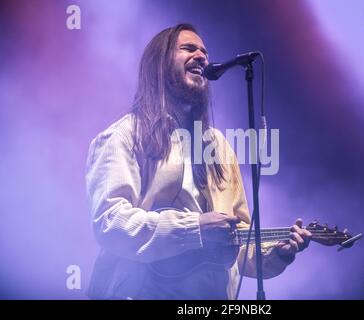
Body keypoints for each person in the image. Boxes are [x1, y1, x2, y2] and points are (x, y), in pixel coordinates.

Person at [85, 23, 311, 300]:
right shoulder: (124, 135)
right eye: (189, 48)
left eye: (204, 51)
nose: (202, 56)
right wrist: (195, 228)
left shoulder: (219, 147)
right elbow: (110, 222)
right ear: (160, 64)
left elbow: (238, 243)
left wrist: (277, 255)